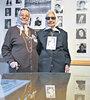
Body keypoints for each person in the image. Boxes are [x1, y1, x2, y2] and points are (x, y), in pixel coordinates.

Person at [2, 8, 38, 73]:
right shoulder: (12, 30)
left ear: (29, 18)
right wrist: (11, 61)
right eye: (22, 15)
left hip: (33, 70)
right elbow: (5, 49)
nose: (24, 17)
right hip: (18, 70)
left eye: (27, 16)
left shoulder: (33, 31)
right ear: (18, 17)